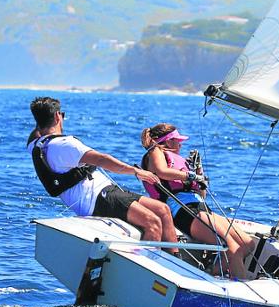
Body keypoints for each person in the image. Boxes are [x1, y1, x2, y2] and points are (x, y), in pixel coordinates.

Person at [27, 97, 178, 253]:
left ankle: (176, 259)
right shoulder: (65, 145)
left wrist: (41, 116)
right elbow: (102, 159)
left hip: (107, 193)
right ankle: (150, 270)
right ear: (58, 116)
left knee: (163, 210)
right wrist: (136, 171)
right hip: (99, 199)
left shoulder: (36, 146)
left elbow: (35, 133)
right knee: (152, 223)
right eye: (62, 115)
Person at [140, 123, 255, 279]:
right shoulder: (156, 151)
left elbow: (202, 193)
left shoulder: (180, 163)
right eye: (177, 140)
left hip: (200, 207)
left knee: (247, 244)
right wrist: (190, 176)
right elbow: (161, 172)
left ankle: (213, 273)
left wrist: (198, 170)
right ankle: (239, 288)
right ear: (167, 142)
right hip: (184, 210)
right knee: (231, 248)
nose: (180, 144)